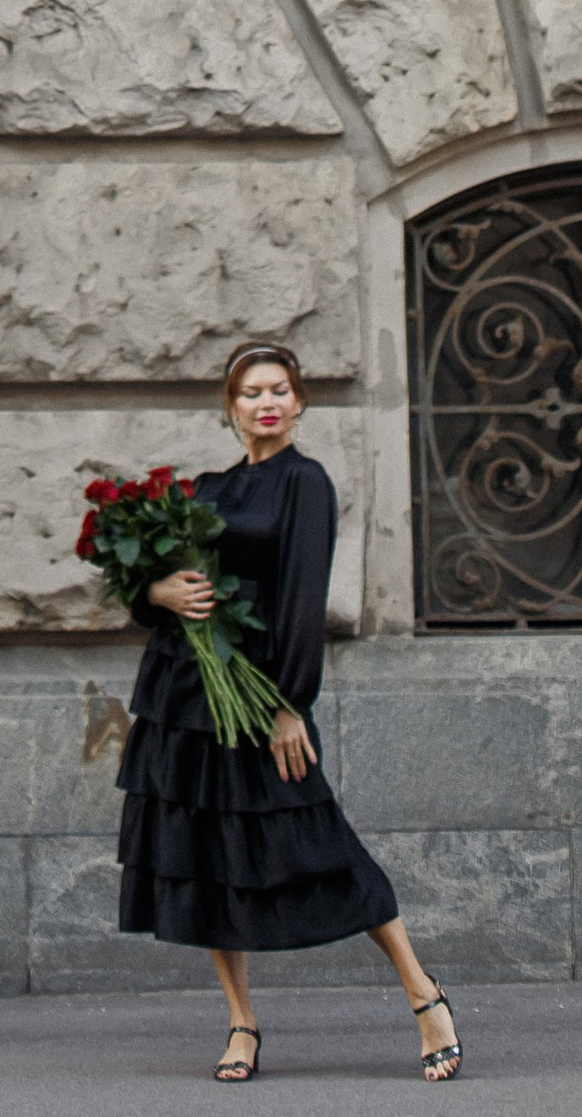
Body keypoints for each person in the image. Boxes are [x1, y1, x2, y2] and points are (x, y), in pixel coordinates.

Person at [115, 339, 463, 1084]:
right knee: (207, 860)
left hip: (259, 695)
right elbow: (154, 584)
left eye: (278, 390)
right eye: (250, 393)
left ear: (299, 403)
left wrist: (287, 705)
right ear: (231, 407)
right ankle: (241, 1023)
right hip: (186, 696)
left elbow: (304, 600)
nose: (265, 403)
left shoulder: (305, 484)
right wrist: (157, 593)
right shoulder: (207, 487)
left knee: (322, 841)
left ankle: (422, 991)